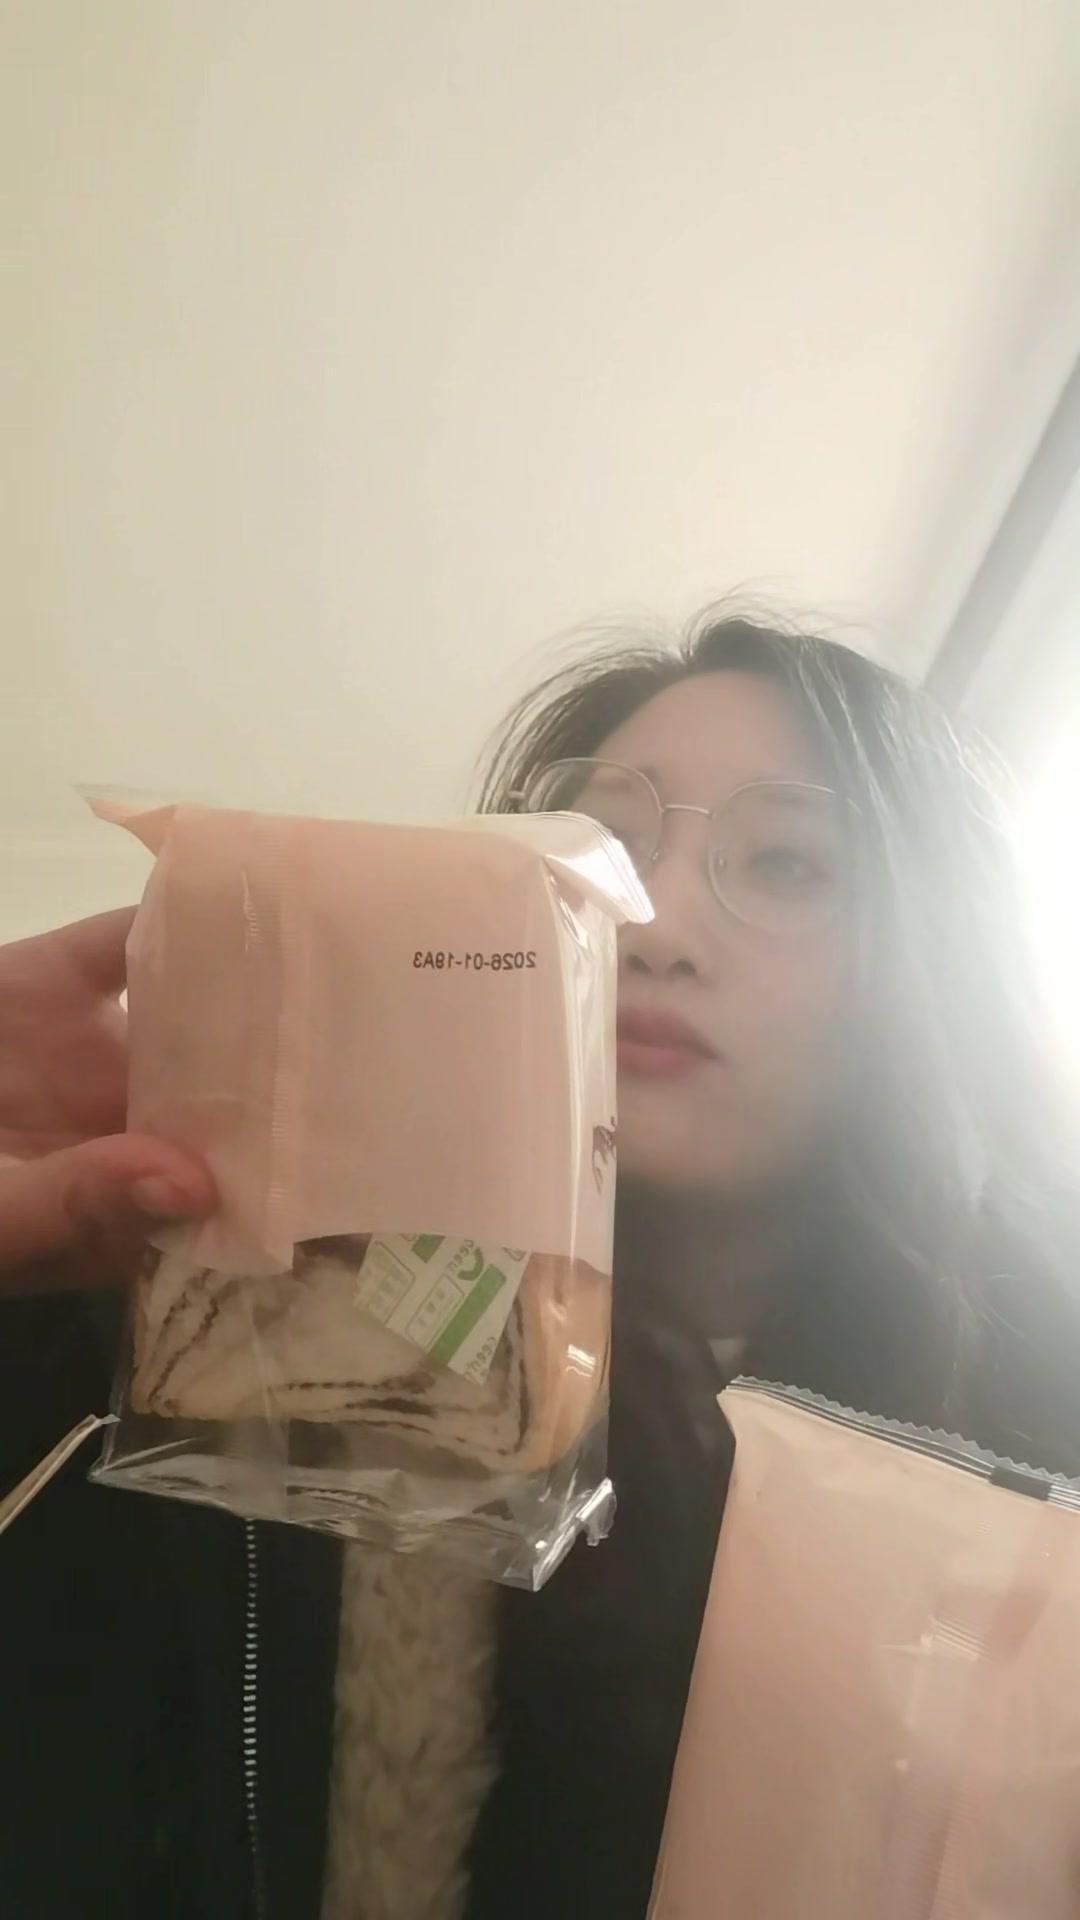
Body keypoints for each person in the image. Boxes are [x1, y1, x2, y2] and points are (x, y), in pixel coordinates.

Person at [3, 610, 1078, 1920]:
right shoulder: (227, 1336)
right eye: (600, 850)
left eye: (790, 864)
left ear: (940, 961)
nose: (652, 924)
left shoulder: (1046, 1453)